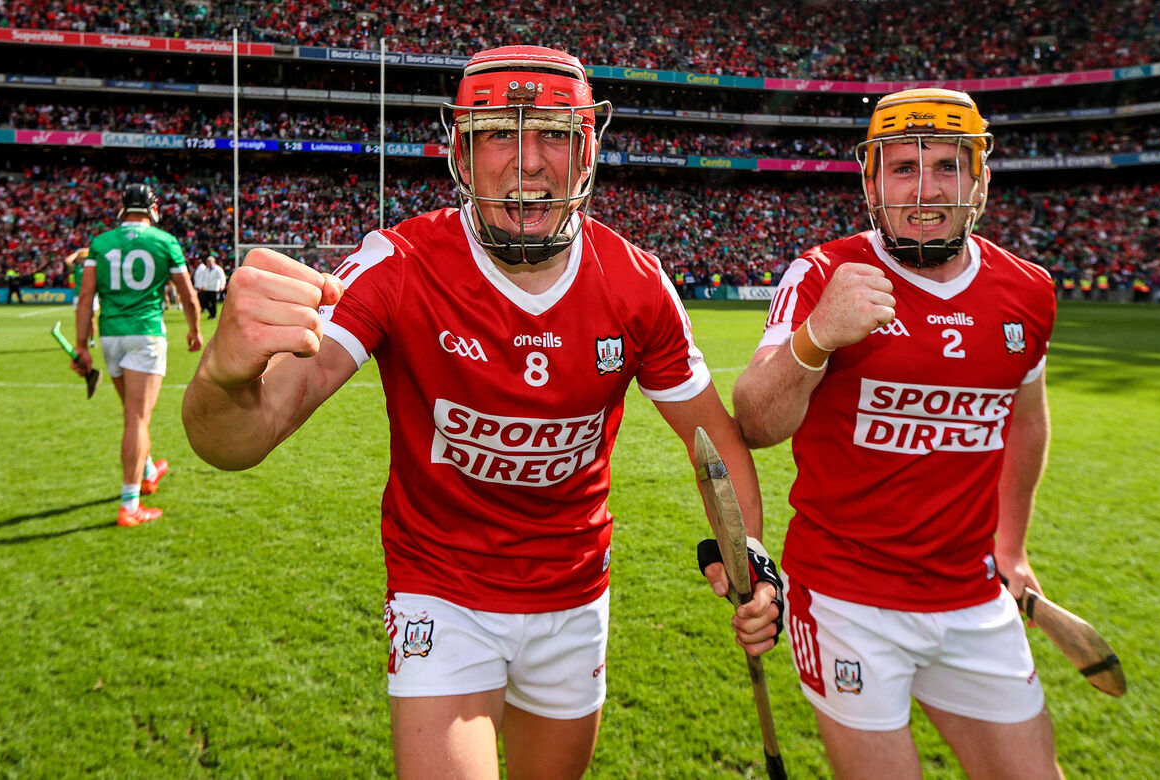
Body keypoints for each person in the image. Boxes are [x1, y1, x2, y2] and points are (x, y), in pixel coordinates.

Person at [182, 46, 776, 779]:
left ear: (587, 152)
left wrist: (750, 555)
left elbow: (714, 440)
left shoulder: (637, 284)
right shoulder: (396, 264)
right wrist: (223, 376)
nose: (527, 160)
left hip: (574, 593)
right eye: (498, 132)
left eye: (554, 132)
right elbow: (242, 438)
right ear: (460, 152)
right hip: (441, 589)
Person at [727, 89, 1063, 779]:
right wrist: (817, 336)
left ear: (980, 181)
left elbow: (1025, 420)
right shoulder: (823, 273)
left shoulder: (1028, 291)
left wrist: (1012, 545)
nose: (925, 190)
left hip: (972, 596)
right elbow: (756, 424)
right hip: (846, 597)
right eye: (904, 168)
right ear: (872, 182)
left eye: (947, 166)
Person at [72, 183, 203, 527]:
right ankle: (130, 504)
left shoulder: (101, 242)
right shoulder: (164, 241)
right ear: (152, 208)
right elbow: (188, 295)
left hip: (111, 335)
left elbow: (85, 299)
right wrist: (194, 329)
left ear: (123, 208)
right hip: (145, 333)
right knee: (137, 418)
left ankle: (147, 470)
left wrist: (82, 345)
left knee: (133, 413)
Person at [64, 247, 99, 346]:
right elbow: (67, 261)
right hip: (79, 297)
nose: (83, 260)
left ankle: (92, 340)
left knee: (92, 320)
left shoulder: (94, 268)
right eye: (81, 258)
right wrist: (77, 253)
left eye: (84, 258)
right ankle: (82, 342)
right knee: (80, 320)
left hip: (92, 296)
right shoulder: (76, 269)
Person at [193, 253, 227, 319]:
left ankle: (213, 315)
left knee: (213, 302)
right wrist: (201, 286)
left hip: (214, 288)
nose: (208, 263)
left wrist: (222, 286)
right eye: (207, 262)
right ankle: (211, 312)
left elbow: (222, 278)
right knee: (203, 300)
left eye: (209, 261)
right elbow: (203, 278)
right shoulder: (206, 269)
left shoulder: (218, 269)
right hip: (206, 288)